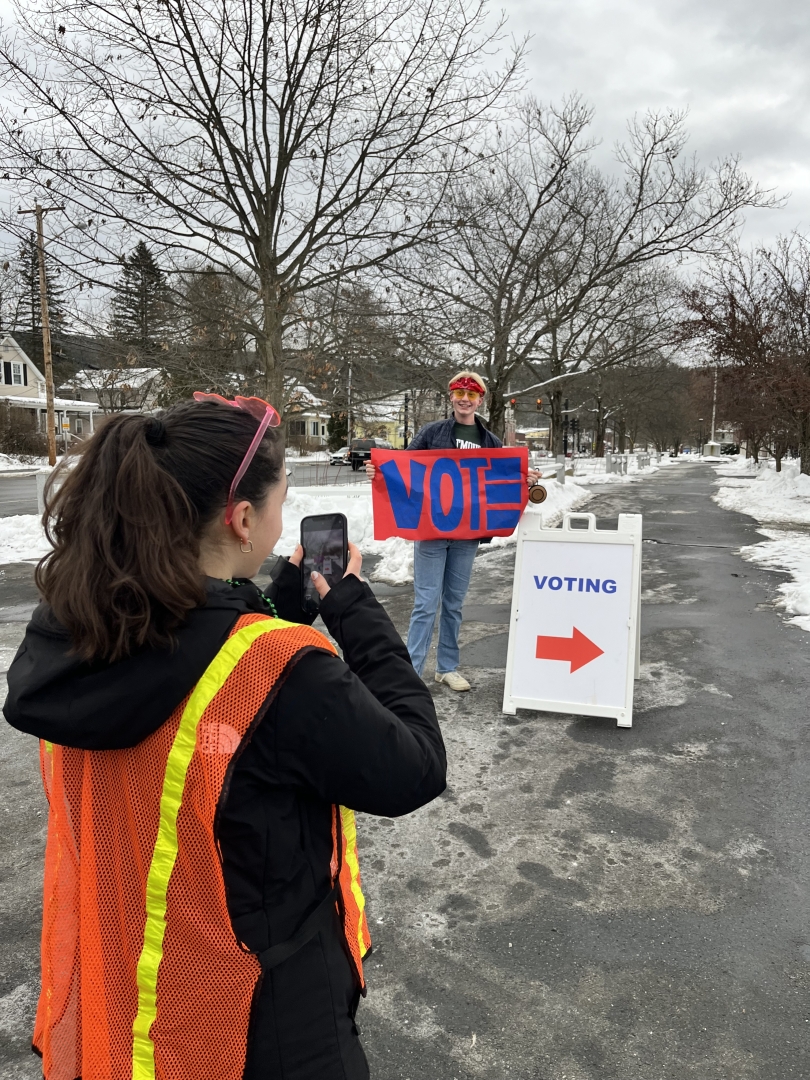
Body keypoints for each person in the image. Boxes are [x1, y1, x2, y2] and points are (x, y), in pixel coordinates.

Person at [3, 395, 446, 1080]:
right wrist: (353, 606)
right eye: (278, 503)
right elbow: (415, 767)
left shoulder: (83, 628)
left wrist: (289, 594)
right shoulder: (283, 673)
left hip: (127, 1000)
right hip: (260, 1022)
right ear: (243, 520)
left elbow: (200, 660)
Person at [365, 371, 539, 692]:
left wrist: (524, 480)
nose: (464, 399)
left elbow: (503, 480)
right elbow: (404, 466)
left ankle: (447, 667)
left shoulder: (491, 441)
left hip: (467, 536)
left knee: (454, 604)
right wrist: (381, 469)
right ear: (451, 397)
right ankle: (411, 673)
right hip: (432, 531)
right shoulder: (432, 432)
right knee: (425, 604)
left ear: (480, 400)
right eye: (459, 393)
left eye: (471, 395)